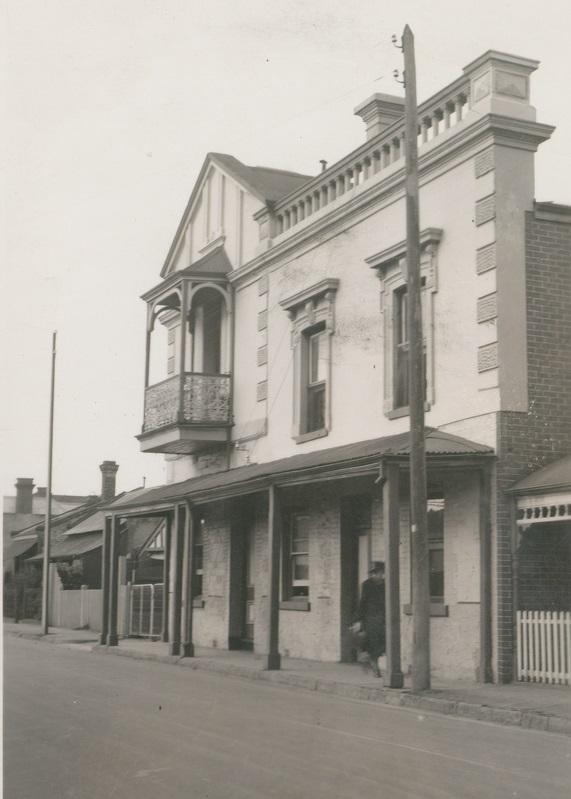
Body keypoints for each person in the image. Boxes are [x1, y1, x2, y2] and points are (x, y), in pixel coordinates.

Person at [355, 561, 386, 677]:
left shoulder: (385, 585)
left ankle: (371, 661)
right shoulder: (367, 585)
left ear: (382, 573)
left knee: (381, 644)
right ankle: (375, 667)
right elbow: (362, 602)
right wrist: (359, 620)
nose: (376, 575)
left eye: (378, 573)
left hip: (382, 618)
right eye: (373, 573)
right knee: (373, 643)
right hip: (370, 618)